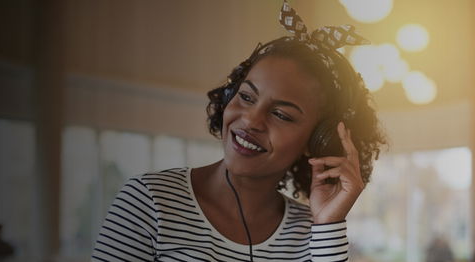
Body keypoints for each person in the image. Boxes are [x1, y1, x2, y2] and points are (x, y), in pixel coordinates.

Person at [91, 1, 386, 261]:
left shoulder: (314, 232)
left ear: (318, 141)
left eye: (281, 114)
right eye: (246, 97)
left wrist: (327, 226)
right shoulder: (150, 200)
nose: (251, 120)